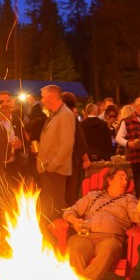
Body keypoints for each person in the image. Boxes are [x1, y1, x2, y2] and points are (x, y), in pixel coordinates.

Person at [60, 168, 140, 280]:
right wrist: (74, 221)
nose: (125, 182)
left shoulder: (128, 199)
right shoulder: (93, 196)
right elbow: (69, 211)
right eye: (121, 178)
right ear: (109, 180)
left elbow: (139, 216)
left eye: (126, 179)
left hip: (110, 238)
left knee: (108, 251)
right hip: (86, 235)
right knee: (75, 249)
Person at [34, 85, 78, 218]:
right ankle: (52, 234)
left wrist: (51, 166)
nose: (41, 101)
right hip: (48, 169)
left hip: (55, 171)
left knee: (56, 206)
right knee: (49, 205)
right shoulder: (55, 114)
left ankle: (59, 235)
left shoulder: (65, 115)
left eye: (43, 97)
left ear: (52, 97)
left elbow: (67, 144)